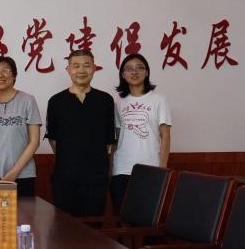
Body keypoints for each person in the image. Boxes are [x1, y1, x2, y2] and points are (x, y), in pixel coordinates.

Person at [45, 49, 115, 217]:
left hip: (96, 179)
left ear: (94, 68)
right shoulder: (56, 101)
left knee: (93, 228)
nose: (81, 70)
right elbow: (53, 140)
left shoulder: (105, 100)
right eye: (76, 66)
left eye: (86, 65)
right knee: (64, 227)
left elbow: (109, 142)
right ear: (68, 70)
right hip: (65, 178)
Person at [110, 53, 172, 213]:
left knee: (148, 217)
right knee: (122, 216)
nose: (134, 72)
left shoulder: (158, 100)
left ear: (147, 72)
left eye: (139, 68)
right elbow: (116, 137)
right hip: (122, 168)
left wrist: (163, 168)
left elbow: (165, 135)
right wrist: (110, 167)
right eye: (129, 69)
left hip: (151, 167)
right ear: (123, 74)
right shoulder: (117, 102)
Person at [0, 55, 41, 198]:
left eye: (5, 70)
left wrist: (13, 173)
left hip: (22, 176)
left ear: (14, 75)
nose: (0, 75)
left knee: (23, 212)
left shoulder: (28, 100)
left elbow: (34, 141)